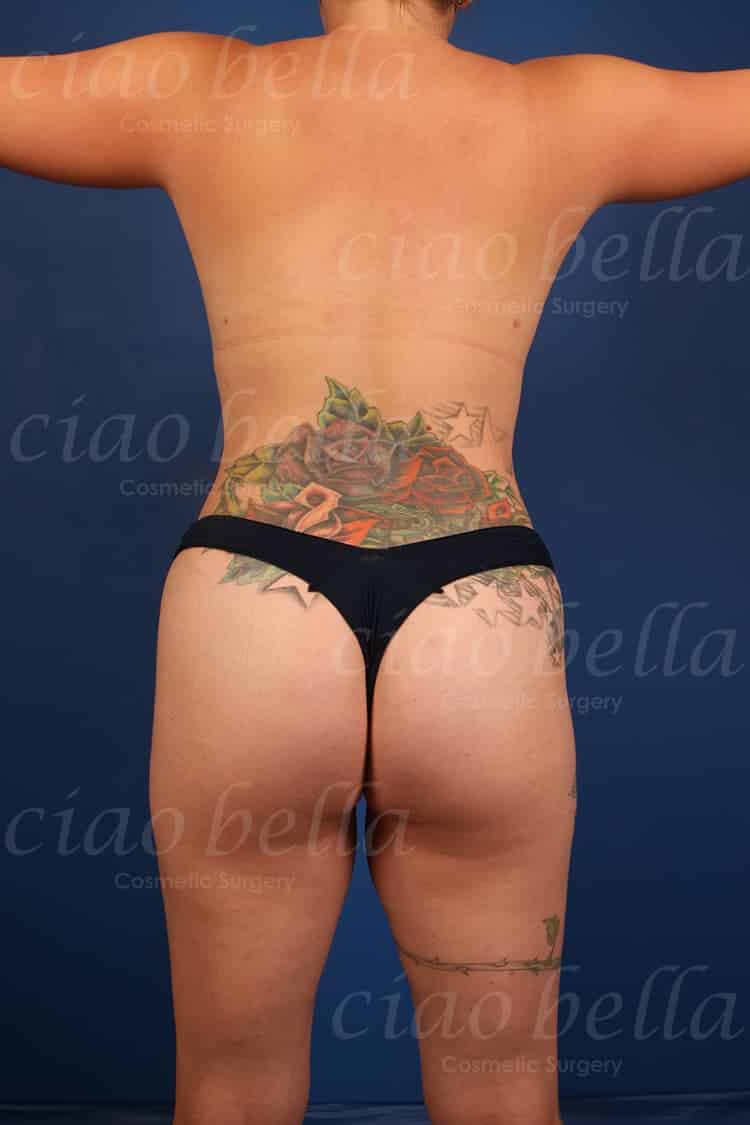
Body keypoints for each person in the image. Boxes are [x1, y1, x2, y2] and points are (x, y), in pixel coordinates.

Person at [2, 1, 748, 1121]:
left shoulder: (200, 88)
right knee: (505, 1091)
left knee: (230, 1089)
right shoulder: (572, 108)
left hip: (252, 599)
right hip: (480, 610)